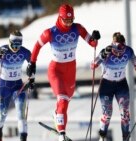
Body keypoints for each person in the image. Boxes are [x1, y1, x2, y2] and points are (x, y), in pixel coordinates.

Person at [26, 4, 100, 141]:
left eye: (70, 20)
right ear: (60, 17)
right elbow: (37, 46)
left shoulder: (77, 28)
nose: (68, 23)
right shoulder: (50, 32)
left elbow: (92, 42)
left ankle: (57, 115)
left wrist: (95, 38)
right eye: (66, 20)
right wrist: (32, 63)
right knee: (62, 100)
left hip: (71, 70)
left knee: (66, 101)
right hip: (56, 70)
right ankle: (62, 134)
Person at [91, 32, 136, 141]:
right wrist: (102, 55)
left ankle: (125, 137)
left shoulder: (128, 51)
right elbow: (93, 65)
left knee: (125, 114)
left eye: (121, 52)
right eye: (116, 51)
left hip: (121, 85)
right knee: (107, 114)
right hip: (106, 85)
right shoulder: (107, 51)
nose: (118, 54)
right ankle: (102, 135)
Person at [0, 30, 34, 141]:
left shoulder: (25, 52)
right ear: (9, 42)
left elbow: (32, 65)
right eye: (13, 45)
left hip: (18, 85)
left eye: (18, 45)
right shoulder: (3, 49)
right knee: (2, 115)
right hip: (4, 87)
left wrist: (32, 79)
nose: (15, 48)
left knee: (21, 114)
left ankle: (23, 138)